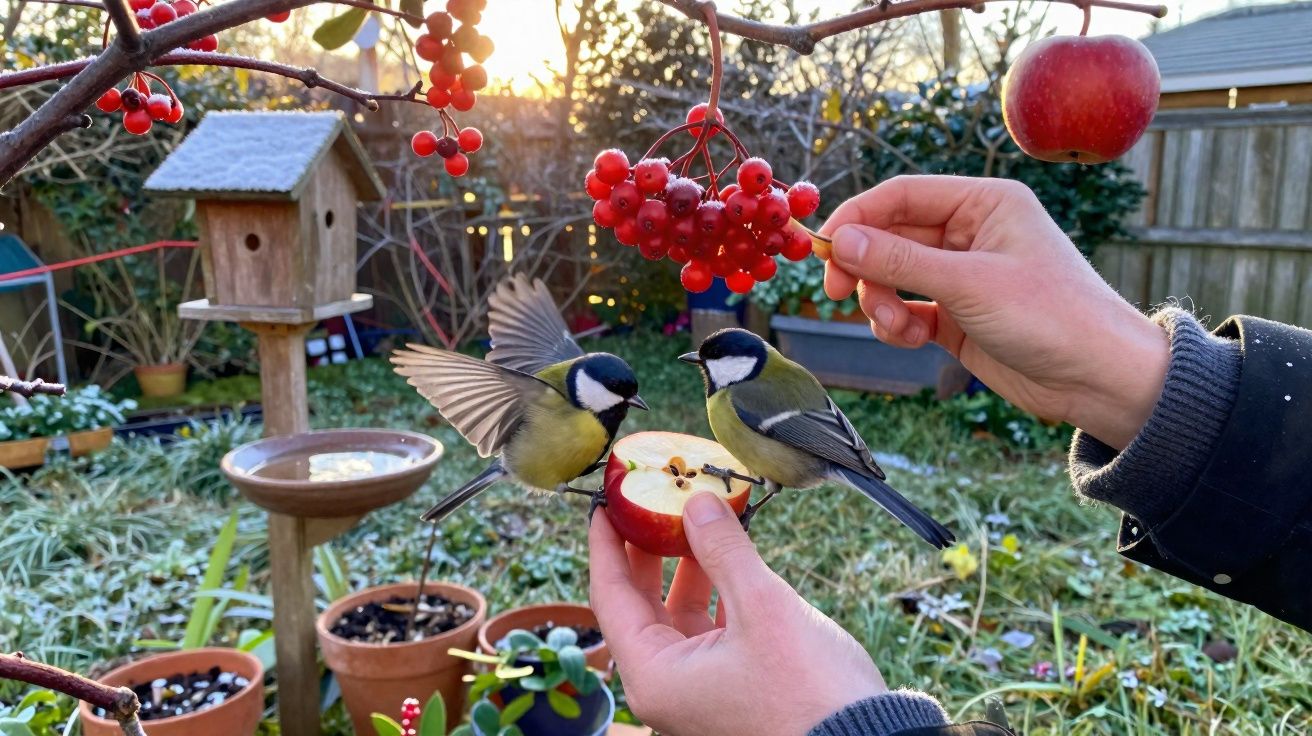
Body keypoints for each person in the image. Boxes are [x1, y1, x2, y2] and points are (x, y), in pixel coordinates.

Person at [588, 175, 1312, 735]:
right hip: (836, 446)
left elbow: (805, 442)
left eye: (709, 359)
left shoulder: (738, 401)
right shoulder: (771, 384)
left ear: (737, 366)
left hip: (813, 456)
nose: (702, 366)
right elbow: (827, 424)